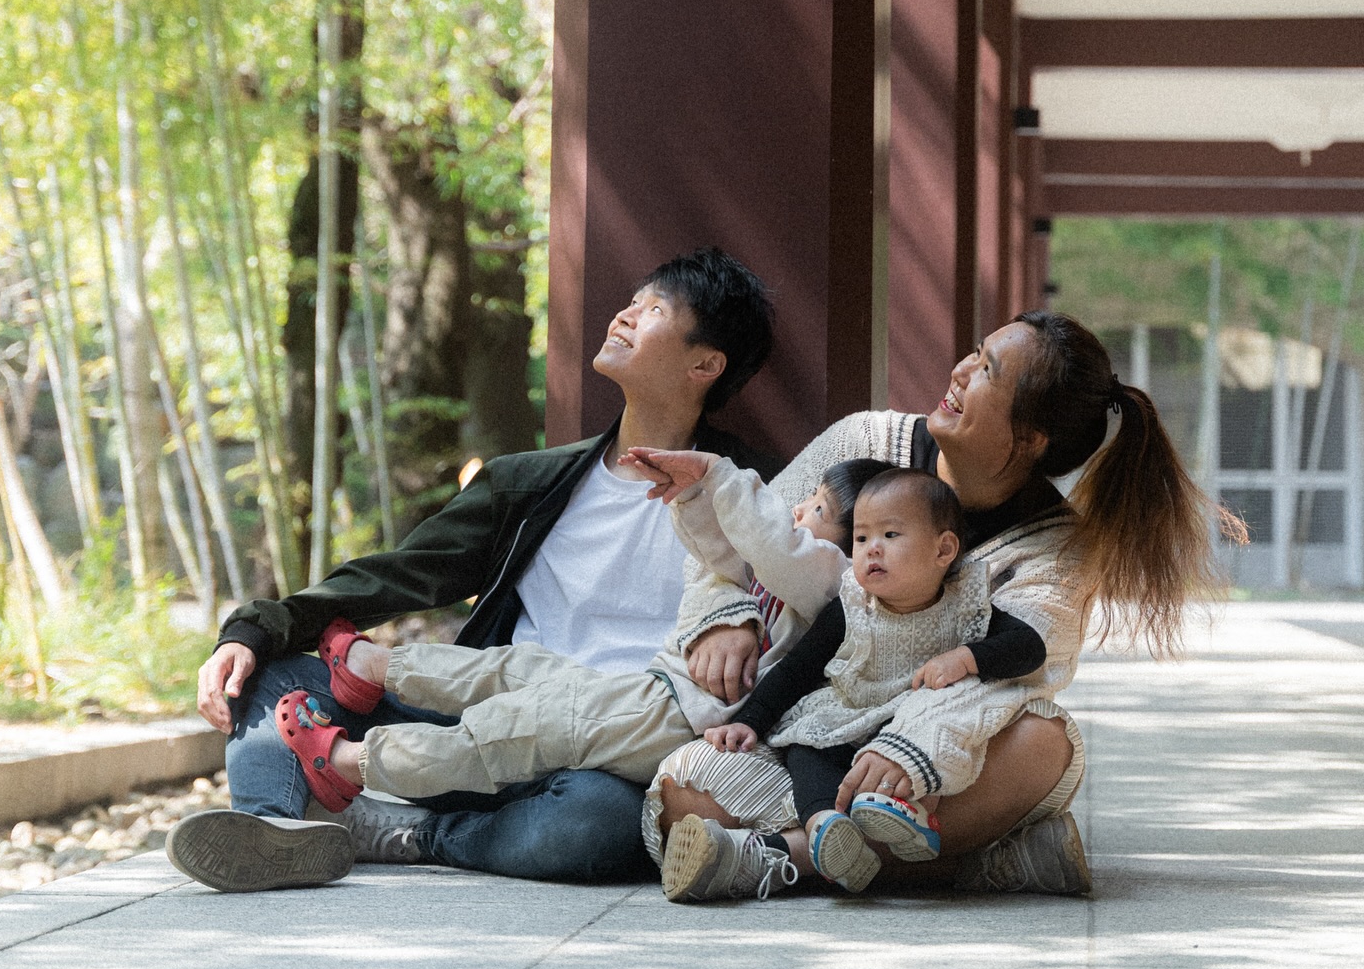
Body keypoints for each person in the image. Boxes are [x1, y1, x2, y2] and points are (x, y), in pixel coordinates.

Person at [167, 247, 782, 894]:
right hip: (479, 717)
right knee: (275, 667)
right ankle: (270, 832)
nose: (623, 317)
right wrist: (251, 630)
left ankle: (403, 834)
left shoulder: (756, 494)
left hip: (607, 751)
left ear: (704, 364)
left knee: (597, 828)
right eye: (631, 302)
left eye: (653, 310)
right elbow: (395, 576)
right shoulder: (532, 484)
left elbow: (817, 600)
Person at [635, 311, 1241, 902]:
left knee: (1043, 743)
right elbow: (745, 534)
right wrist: (727, 616)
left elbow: (1017, 670)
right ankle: (982, 864)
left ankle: (781, 858)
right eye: (974, 353)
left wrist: (908, 747)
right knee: (686, 793)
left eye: (987, 371)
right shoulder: (865, 441)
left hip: (936, 759)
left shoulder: (1058, 547)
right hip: (809, 725)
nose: (959, 371)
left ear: (1029, 439)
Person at [255, 459, 881, 819]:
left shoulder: (832, 582)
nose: (798, 512)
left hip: (673, 718)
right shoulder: (791, 570)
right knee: (518, 669)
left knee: (507, 733)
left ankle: (345, 764)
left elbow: (769, 541)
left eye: (819, 509)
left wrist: (715, 475)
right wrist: (690, 498)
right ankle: (376, 668)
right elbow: (718, 551)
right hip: (650, 689)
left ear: (859, 543)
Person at [668, 467, 1045, 900]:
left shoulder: (967, 606)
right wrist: (750, 722)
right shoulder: (851, 606)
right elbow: (799, 670)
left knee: (933, 743)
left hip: (905, 723)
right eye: (861, 539)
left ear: (943, 549)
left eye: (889, 535)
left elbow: (1029, 647)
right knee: (806, 748)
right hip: (847, 712)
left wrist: (967, 657)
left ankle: (910, 817)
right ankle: (826, 829)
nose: (871, 551)